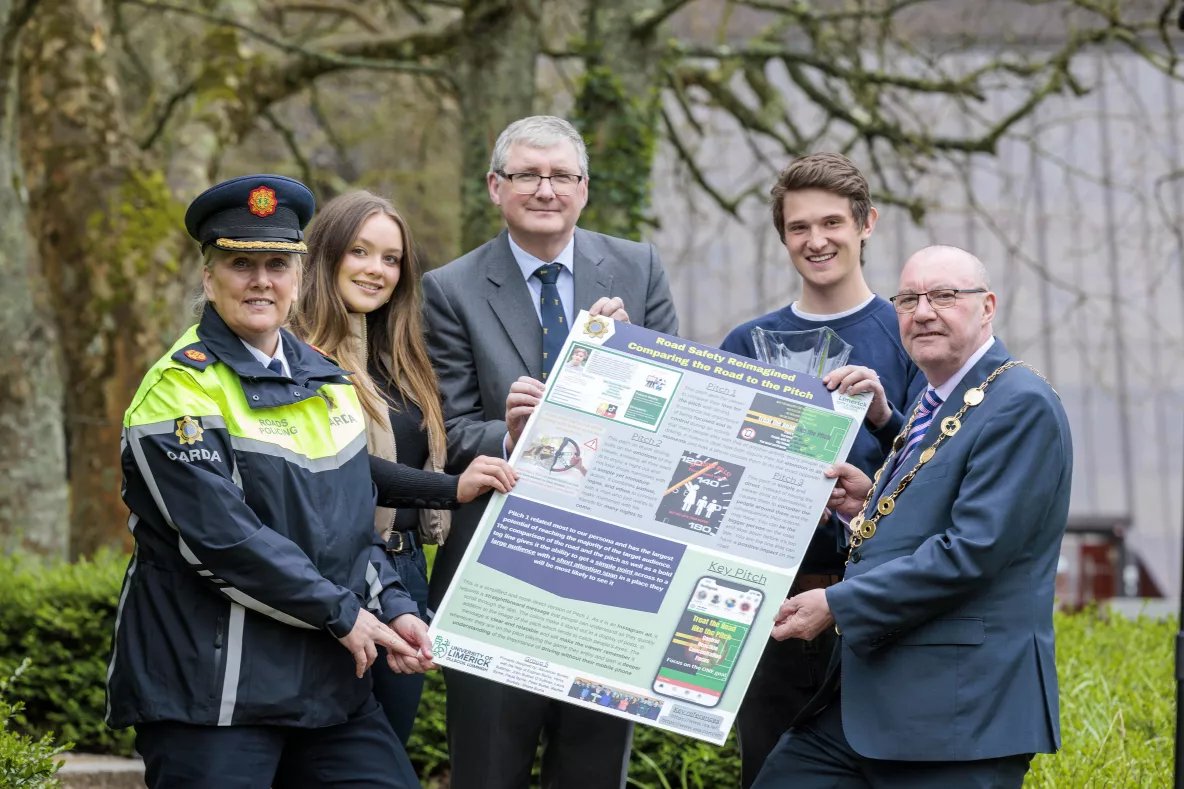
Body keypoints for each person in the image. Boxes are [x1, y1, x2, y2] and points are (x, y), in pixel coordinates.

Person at [106, 174, 516, 788]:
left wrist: (396, 607)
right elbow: (226, 542)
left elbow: (352, 524)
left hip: (328, 692)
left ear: (299, 277)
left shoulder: (327, 381)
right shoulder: (178, 388)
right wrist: (347, 615)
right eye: (241, 263)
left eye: (277, 264)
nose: (262, 281)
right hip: (217, 697)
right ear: (208, 275)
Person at [422, 115, 679, 789]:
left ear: (584, 187)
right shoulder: (449, 288)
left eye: (561, 175)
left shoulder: (638, 267)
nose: (545, 189)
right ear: (495, 186)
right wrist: (510, 435)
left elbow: (677, 416)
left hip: (609, 571)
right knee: (487, 772)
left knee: (593, 773)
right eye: (527, 175)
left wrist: (632, 366)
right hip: (495, 573)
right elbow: (443, 432)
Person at [753, 245, 1072, 789]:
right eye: (908, 298)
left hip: (956, 713)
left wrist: (834, 603)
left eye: (945, 295)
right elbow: (931, 514)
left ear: (987, 306)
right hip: (865, 702)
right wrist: (868, 504)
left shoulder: (1020, 402)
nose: (923, 311)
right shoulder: (937, 398)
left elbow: (971, 553)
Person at [719, 152, 926, 787]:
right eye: (799, 227)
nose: (817, 241)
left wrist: (887, 422)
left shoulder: (911, 333)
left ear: (867, 224)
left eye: (832, 222)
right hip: (771, 607)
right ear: (783, 236)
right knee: (771, 771)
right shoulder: (745, 345)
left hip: (875, 609)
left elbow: (942, 475)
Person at [293, 190, 510, 746]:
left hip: (407, 575)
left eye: (391, 259)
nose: (376, 270)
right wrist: (450, 490)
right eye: (360, 252)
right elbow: (345, 469)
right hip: (337, 575)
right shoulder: (296, 355)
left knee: (388, 746)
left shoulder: (402, 356)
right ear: (325, 255)